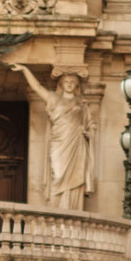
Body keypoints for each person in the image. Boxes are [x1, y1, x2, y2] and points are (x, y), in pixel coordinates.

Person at [10, 64, 96, 210]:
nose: (69, 84)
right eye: (66, 82)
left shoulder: (81, 103)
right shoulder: (53, 98)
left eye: (72, 82)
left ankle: (72, 210)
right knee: (57, 175)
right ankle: (56, 210)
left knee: (75, 179)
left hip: (76, 143)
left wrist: (89, 133)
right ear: (61, 84)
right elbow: (37, 87)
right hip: (58, 143)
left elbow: (91, 124)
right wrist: (25, 70)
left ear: (76, 85)